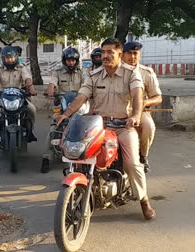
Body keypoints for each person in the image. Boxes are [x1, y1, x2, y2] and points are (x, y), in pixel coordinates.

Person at [55, 38, 156, 220]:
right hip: (99, 125)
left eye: (110, 52)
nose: (105, 56)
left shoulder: (132, 73)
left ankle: (144, 200)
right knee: (79, 155)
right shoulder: (93, 75)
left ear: (119, 54)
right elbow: (81, 97)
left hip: (123, 126)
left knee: (132, 163)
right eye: (103, 52)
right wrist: (67, 113)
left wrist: (134, 116)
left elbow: (138, 96)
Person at [0, 46, 37, 152]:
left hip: (19, 97)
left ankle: (30, 131)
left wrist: (31, 87)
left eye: (11, 58)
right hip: (3, 97)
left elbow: (27, 78)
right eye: (7, 58)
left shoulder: (21, 67)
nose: (9, 60)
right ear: (3, 59)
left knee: (32, 109)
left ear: (16, 57)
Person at [41, 47, 84, 173]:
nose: (71, 63)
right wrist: (51, 89)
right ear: (64, 61)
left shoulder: (82, 72)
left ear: (77, 61)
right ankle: (46, 158)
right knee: (53, 128)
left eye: (73, 60)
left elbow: (87, 85)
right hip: (62, 104)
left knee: (85, 128)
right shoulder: (58, 72)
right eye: (68, 60)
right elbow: (52, 83)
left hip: (78, 105)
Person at [122, 41, 162, 173]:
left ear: (139, 55)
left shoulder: (146, 73)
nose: (132, 57)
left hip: (140, 111)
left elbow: (158, 97)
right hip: (118, 109)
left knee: (149, 126)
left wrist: (144, 103)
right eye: (129, 53)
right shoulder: (115, 70)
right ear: (122, 54)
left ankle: (143, 156)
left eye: (135, 53)